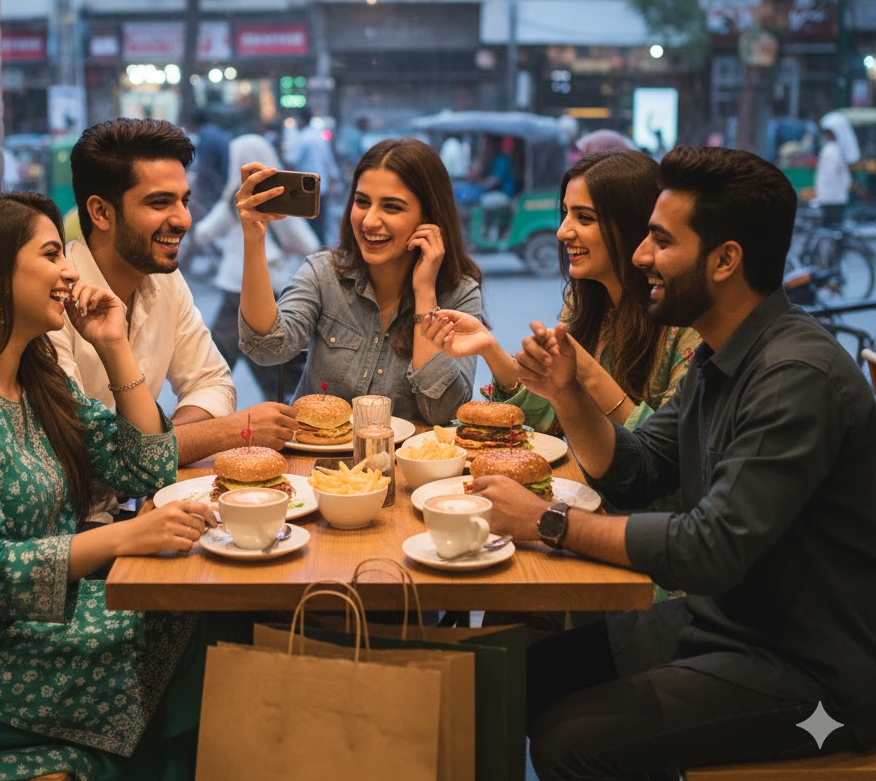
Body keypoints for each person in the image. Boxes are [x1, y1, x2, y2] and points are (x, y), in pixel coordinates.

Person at [475, 147, 876, 779]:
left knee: (568, 741)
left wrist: (547, 522)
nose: (641, 256)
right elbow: (636, 468)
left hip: (817, 679)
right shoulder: (720, 355)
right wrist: (568, 393)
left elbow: (710, 549)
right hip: (726, 625)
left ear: (725, 260)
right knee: (517, 676)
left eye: (661, 241)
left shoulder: (795, 375)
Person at [0, 190, 227, 781]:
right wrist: (128, 535)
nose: (70, 272)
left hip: (25, 622)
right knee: (184, 642)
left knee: (194, 617)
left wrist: (113, 345)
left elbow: (144, 467)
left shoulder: (36, 374)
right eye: (52, 255)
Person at [51, 118, 298, 497]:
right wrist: (235, 429)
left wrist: (169, 443)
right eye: (159, 203)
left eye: (184, 200)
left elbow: (212, 383)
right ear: (101, 212)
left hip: (138, 501)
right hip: (78, 517)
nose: (184, 219)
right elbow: (85, 451)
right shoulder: (54, 301)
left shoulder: (162, 278)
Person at [425, 149, 699, 435]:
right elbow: (551, 412)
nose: (562, 232)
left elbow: (668, 449)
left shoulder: (684, 323)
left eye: (585, 218)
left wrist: (586, 372)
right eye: (566, 213)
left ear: (633, 225)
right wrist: (488, 348)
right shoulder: (586, 299)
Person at [237, 138, 484, 423]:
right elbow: (266, 349)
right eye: (362, 202)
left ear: (428, 218)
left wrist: (425, 292)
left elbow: (443, 412)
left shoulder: (460, 293)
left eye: (391, 207)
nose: (369, 221)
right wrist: (253, 238)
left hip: (406, 453)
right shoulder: (324, 273)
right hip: (313, 449)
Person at [194, 131, 320, 402]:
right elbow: (308, 243)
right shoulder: (279, 202)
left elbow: (203, 233)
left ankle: (207, 403)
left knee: (218, 358)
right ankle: (277, 405)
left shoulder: (234, 202)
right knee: (268, 358)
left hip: (234, 286)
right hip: (270, 283)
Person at [284, 107, 340, 242]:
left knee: (308, 227)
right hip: (322, 188)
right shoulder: (319, 137)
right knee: (320, 225)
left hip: (306, 190)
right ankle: (321, 250)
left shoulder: (302, 138)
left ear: (302, 120)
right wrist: (333, 181)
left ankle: (311, 251)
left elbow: (290, 161)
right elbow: (329, 161)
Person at [814, 125, 852, 227]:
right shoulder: (832, 149)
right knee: (833, 224)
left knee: (832, 225)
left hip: (832, 194)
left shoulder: (832, 150)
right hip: (832, 194)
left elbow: (833, 172)